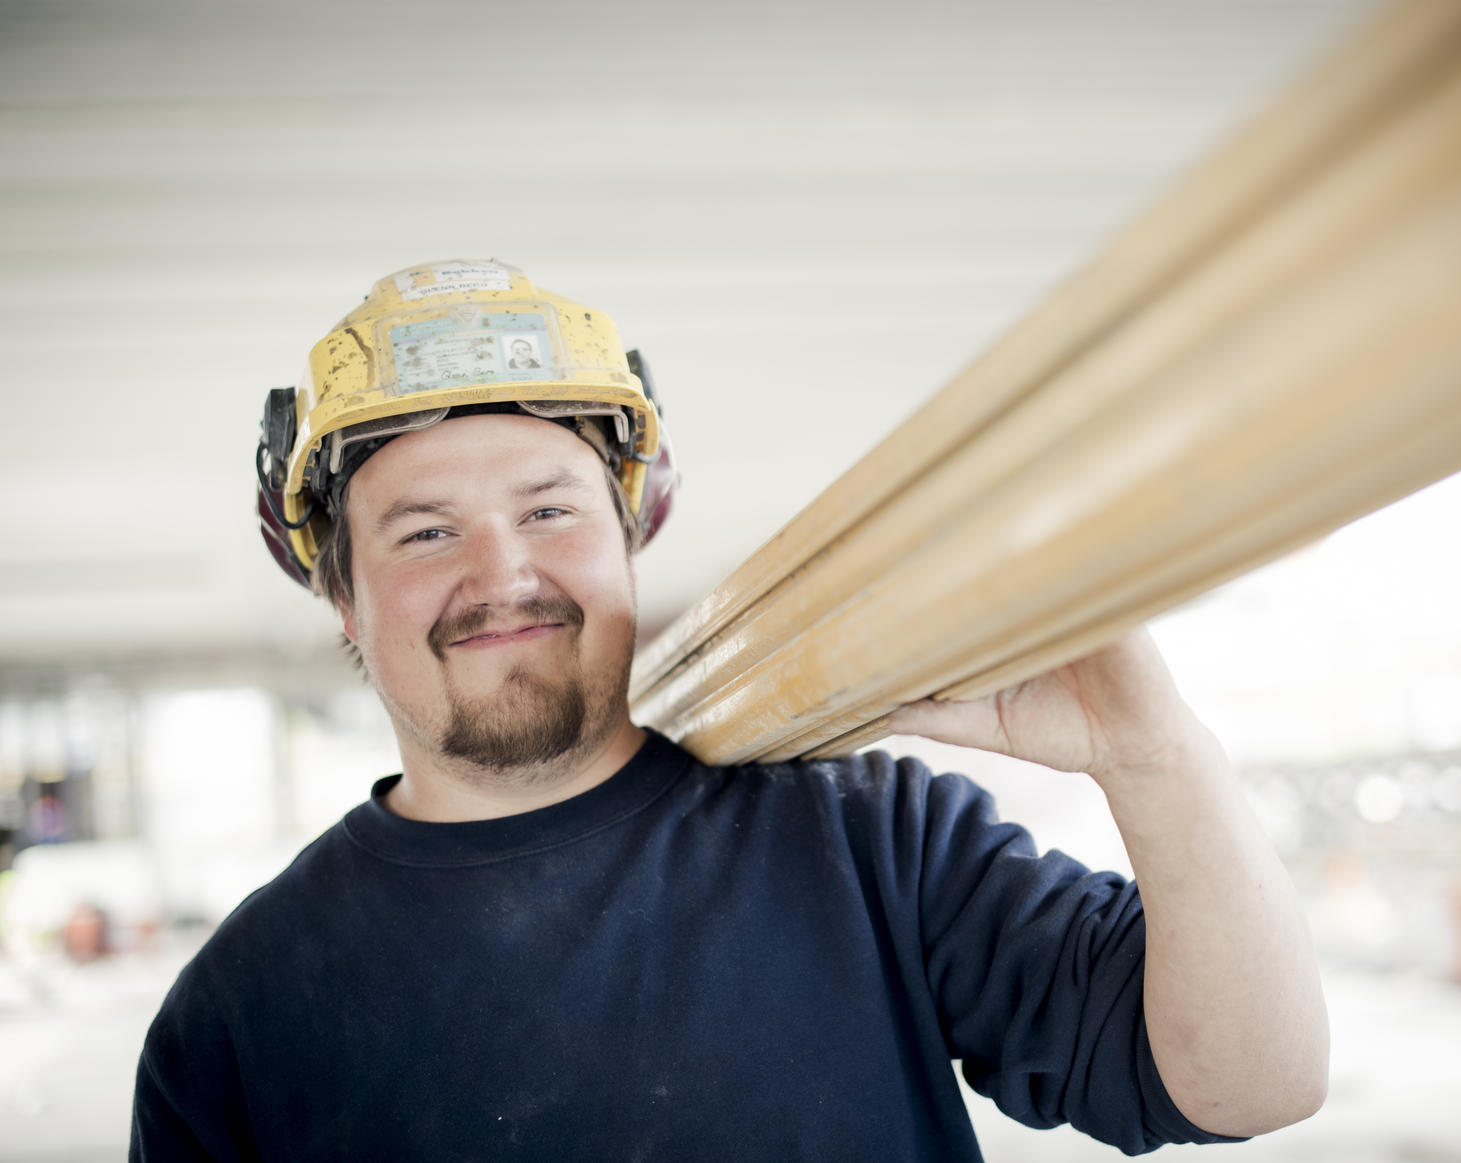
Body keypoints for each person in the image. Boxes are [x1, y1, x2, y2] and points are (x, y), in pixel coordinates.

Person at [134, 260, 1327, 1160]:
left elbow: (1249, 1083)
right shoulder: (242, 1012)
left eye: (551, 509)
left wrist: (1150, 752)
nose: (502, 573)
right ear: (340, 594)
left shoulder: (865, 839)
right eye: (426, 531)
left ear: (631, 539)